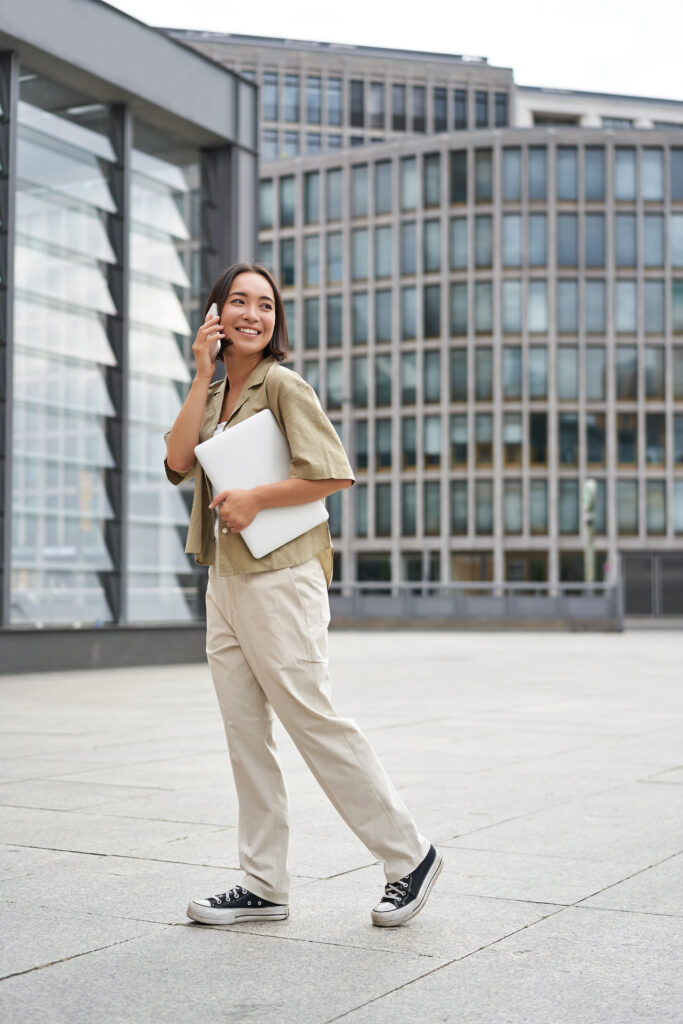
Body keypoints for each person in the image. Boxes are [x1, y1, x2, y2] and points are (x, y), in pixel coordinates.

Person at [163, 261, 442, 929]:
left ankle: (409, 857)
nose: (251, 313)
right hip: (225, 579)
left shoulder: (283, 385)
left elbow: (330, 473)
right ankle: (263, 884)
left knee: (312, 721)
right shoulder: (216, 388)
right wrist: (201, 372)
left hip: (281, 577)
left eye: (264, 304)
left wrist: (258, 496)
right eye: (238, 302)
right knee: (245, 736)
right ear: (215, 314)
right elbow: (176, 463)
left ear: (274, 320)